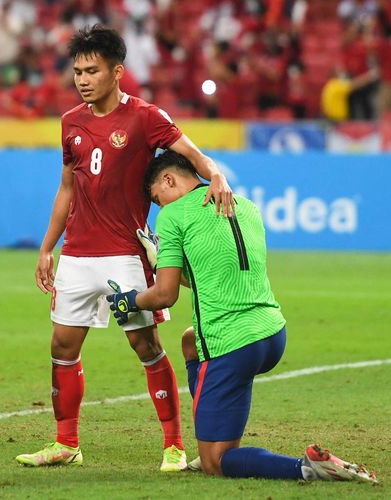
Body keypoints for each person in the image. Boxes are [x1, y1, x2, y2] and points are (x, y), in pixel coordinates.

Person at [15, 24, 234, 472]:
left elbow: (193, 154)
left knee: (146, 344)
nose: (82, 79)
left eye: (91, 70)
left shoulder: (146, 117)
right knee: (62, 344)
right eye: (77, 71)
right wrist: (46, 247)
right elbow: (66, 190)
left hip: (124, 253)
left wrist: (217, 175)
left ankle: (173, 445)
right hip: (77, 252)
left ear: (117, 72)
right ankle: (66, 443)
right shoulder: (69, 123)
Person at [105, 151, 377, 483]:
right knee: (190, 341)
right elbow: (215, 275)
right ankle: (211, 431)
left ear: (169, 180)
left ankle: (307, 468)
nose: (161, 207)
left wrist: (130, 301)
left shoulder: (174, 215)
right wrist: (170, 269)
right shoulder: (247, 206)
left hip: (231, 345)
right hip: (271, 333)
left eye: (157, 199)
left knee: (216, 463)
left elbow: (164, 295)